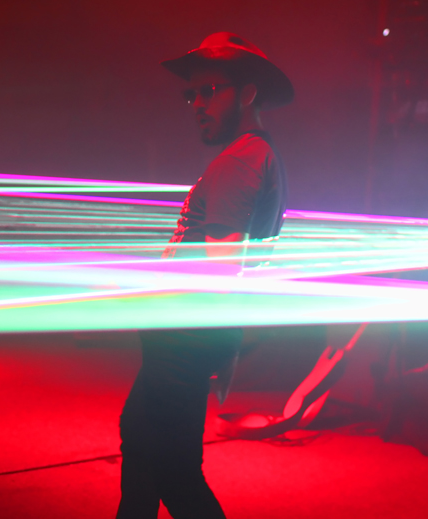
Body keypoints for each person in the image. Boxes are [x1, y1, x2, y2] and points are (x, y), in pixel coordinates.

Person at [116, 32, 293, 519]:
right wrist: (227, 344)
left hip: (183, 339)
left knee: (174, 472)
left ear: (248, 93)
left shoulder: (239, 162)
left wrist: (216, 339)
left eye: (211, 91)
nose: (197, 104)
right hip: (186, 338)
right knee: (140, 441)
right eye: (191, 94)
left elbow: (222, 273)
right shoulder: (255, 155)